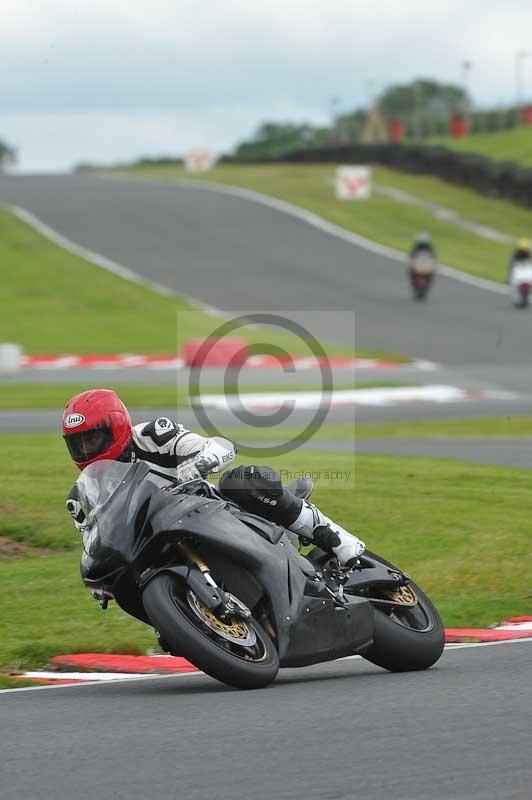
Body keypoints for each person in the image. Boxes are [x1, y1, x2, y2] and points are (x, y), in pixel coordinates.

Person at [63, 389, 365, 566]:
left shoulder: (153, 435)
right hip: (158, 543)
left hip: (209, 512)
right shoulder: (82, 498)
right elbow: (96, 546)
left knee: (239, 481)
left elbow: (221, 446)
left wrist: (198, 464)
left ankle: (336, 538)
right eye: (79, 443)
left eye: (93, 438)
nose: (87, 449)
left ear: (117, 426)